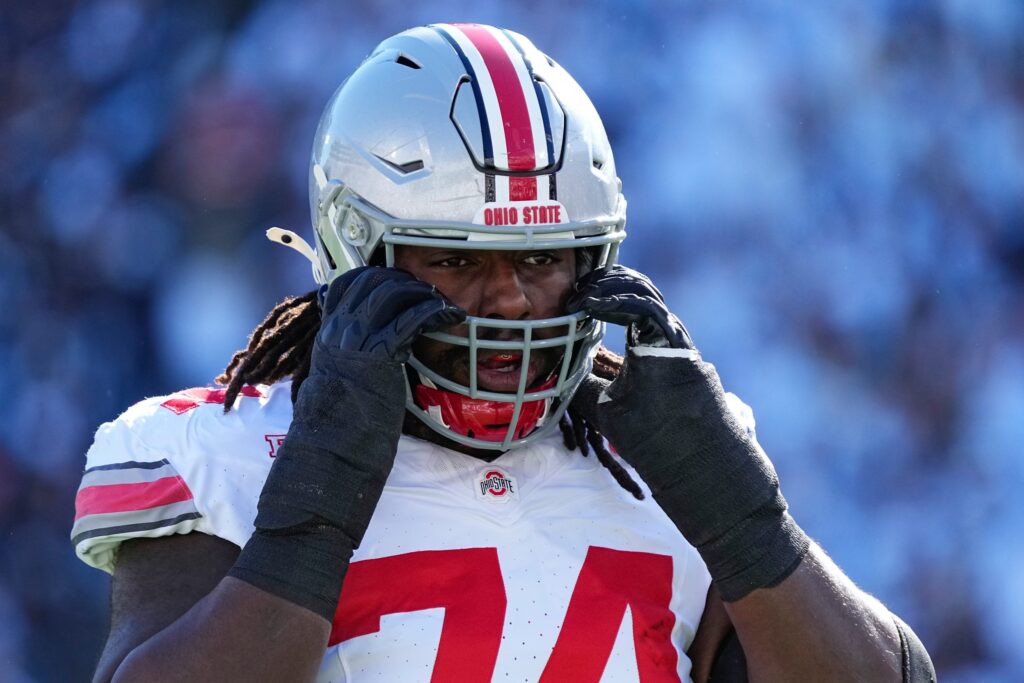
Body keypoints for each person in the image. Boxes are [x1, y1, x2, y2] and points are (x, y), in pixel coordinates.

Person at [72, 23, 934, 683]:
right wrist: (318, 500)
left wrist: (749, 523)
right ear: (356, 249)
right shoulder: (215, 445)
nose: (510, 299)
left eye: (540, 258)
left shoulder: (665, 455)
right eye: (453, 259)